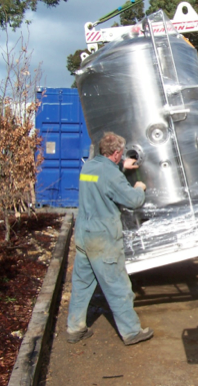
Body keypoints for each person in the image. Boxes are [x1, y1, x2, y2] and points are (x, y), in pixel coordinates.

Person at [66, 132, 153, 346]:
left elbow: (102, 179)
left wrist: (123, 165)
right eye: (120, 154)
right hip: (103, 238)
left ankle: (75, 328)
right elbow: (132, 201)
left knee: (82, 284)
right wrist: (139, 188)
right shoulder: (111, 175)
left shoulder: (88, 167)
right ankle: (132, 332)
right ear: (115, 153)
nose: (121, 156)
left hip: (84, 235)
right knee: (118, 286)